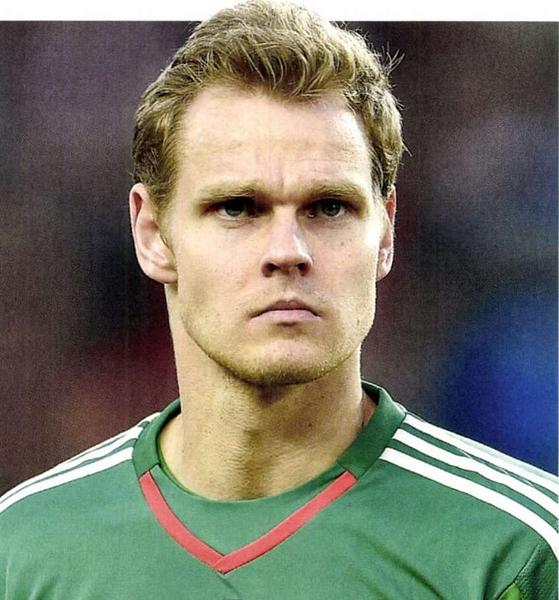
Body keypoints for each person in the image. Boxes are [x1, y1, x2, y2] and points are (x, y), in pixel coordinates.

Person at [1, 1, 557, 597]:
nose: (287, 251)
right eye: (238, 208)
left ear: (386, 233)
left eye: (329, 207)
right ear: (153, 235)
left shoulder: (518, 552)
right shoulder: (24, 552)